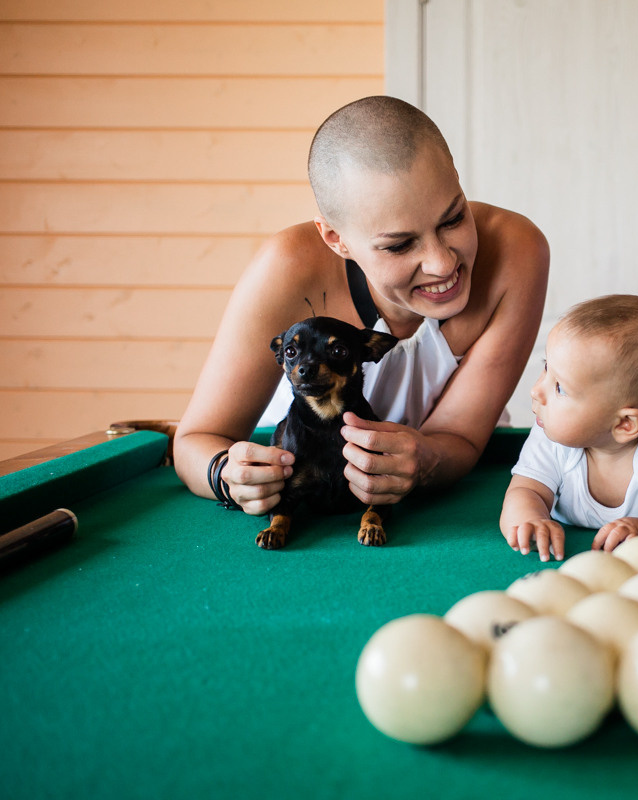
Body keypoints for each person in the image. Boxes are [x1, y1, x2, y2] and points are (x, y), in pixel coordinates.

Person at [174, 96, 549, 516]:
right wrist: (228, 475)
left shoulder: (518, 251)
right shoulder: (285, 268)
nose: (444, 263)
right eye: (399, 244)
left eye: (453, 218)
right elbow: (197, 439)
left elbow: (459, 438)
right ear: (336, 239)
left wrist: (424, 461)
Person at [500, 295, 638, 562]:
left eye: (560, 387)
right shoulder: (551, 433)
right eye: (546, 368)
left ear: (624, 424)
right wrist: (530, 518)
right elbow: (526, 491)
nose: (536, 391)